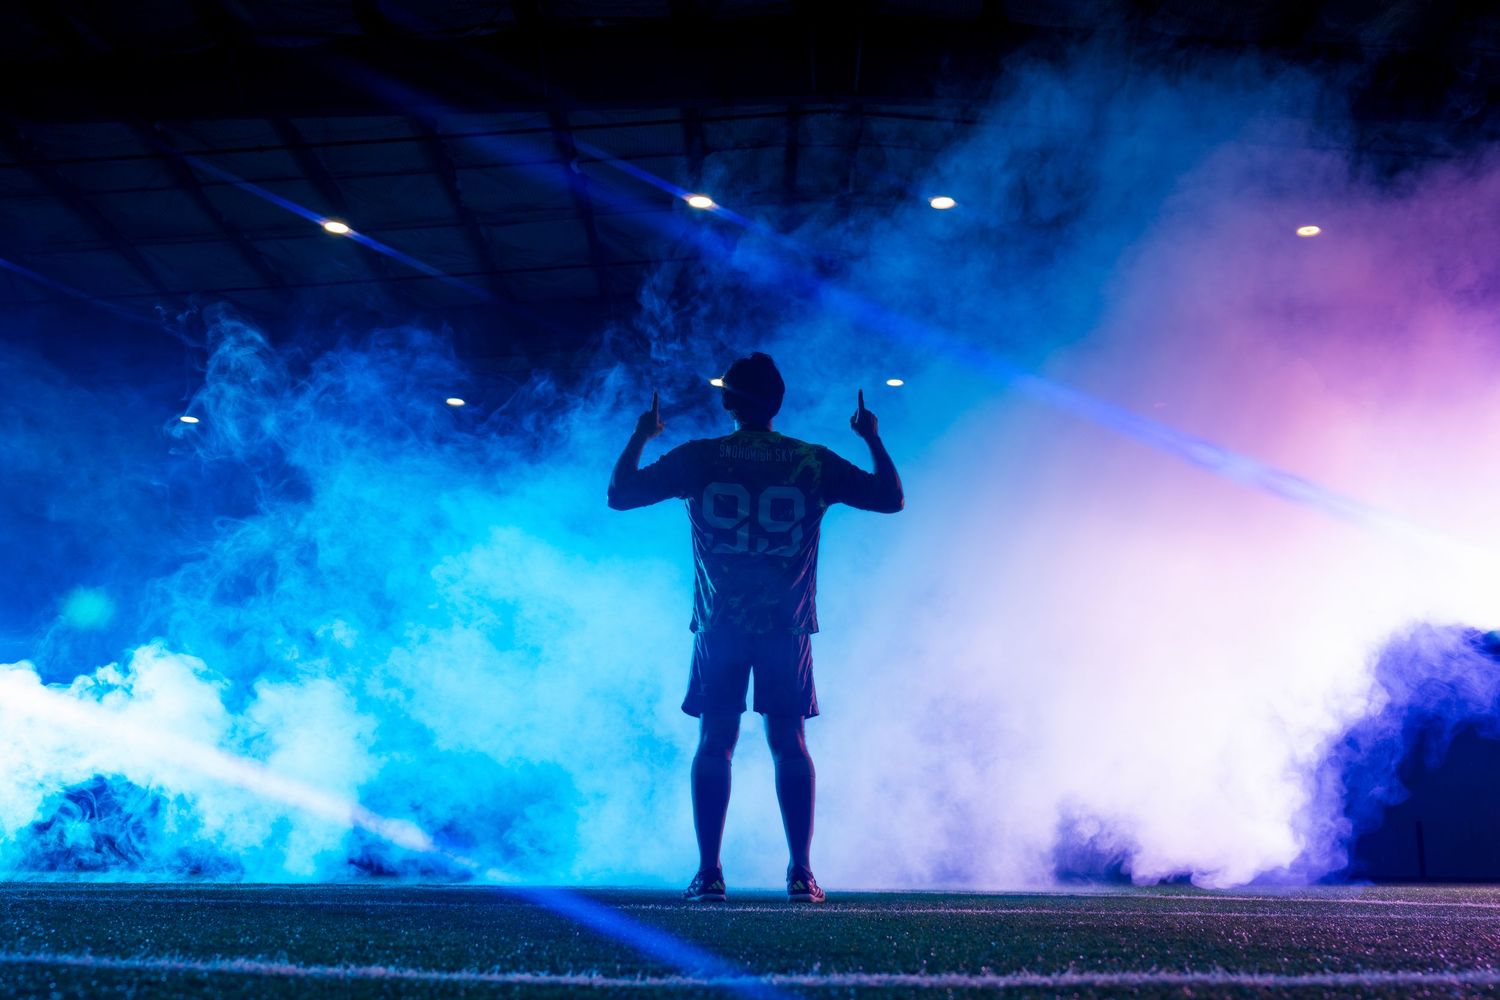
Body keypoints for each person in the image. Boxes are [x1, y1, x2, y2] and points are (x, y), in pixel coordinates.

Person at [607, 352, 904, 904]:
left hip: (720, 622)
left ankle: (709, 873)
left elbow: (620, 494)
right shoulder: (810, 460)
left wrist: (642, 434)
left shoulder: (701, 457)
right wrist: (871, 438)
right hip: (785, 625)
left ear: (728, 402)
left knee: (715, 742)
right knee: (789, 744)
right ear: (778, 402)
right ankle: (801, 873)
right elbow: (891, 499)